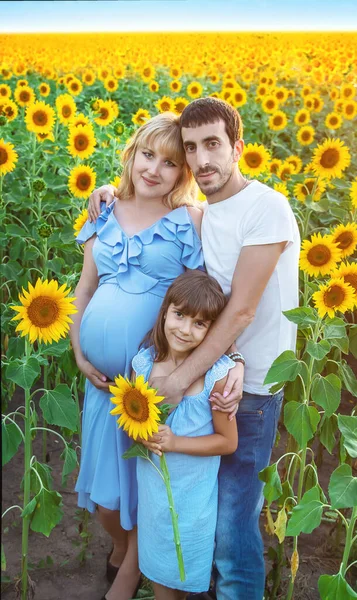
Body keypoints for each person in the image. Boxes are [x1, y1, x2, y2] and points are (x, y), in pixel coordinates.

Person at [89, 97, 300, 600]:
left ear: (238, 148)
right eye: (192, 148)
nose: (202, 159)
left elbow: (243, 310)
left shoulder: (266, 206)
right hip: (206, 376)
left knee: (231, 526)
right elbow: (151, 209)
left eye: (213, 145)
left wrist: (181, 379)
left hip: (241, 390)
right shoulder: (204, 212)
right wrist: (109, 192)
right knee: (188, 500)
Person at [70, 110, 243, 600]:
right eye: (147, 155)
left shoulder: (188, 219)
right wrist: (81, 353)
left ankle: (134, 567)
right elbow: (84, 290)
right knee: (107, 496)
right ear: (131, 156)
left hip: (156, 382)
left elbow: (210, 297)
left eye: (170, 163)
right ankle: (125, 549)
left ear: (183, 175)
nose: (154, 169)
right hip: (102, 381)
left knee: (149, 480)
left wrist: (233, 360)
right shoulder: (102, 210)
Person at [130, 270, 238, 600]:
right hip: (154, 498)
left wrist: (176, 442)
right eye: (179, 315)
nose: (185, 330)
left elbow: (228, 442)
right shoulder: (143, 365)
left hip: (193, 503)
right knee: (161, 577)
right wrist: (141, 436)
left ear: (212, 330)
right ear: (165, 311)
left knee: (185, 573)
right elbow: (132, 422)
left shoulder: (216, 377)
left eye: (200, 323)